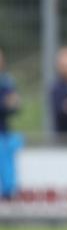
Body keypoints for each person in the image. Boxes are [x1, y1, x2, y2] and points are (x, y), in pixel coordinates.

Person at [0, 48, 22, 199]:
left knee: (13, 142)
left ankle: (9, 191)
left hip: (4, 131)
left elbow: (14, 105)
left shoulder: (6, 81)